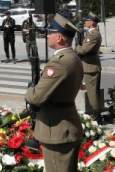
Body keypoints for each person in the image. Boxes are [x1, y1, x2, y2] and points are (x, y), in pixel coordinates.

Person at [25, 14, 84, 172]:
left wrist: (30, 90)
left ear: (59, 38)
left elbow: (37, 97)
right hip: (65, 125)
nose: (47, 36)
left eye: (49, 33)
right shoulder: (73, 57)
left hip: (57, 129)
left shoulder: (59, 62)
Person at [76, 13, 103, 121]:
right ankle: (96, 112)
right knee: (93, 91)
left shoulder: (93, 35)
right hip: (90, 65)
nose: (86, 22)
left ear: (92, 22)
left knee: (92, 92)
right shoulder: (93, 33)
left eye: (87, 20)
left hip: (90, 66)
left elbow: (84, 50)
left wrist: (78, 47)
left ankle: (96, 115)